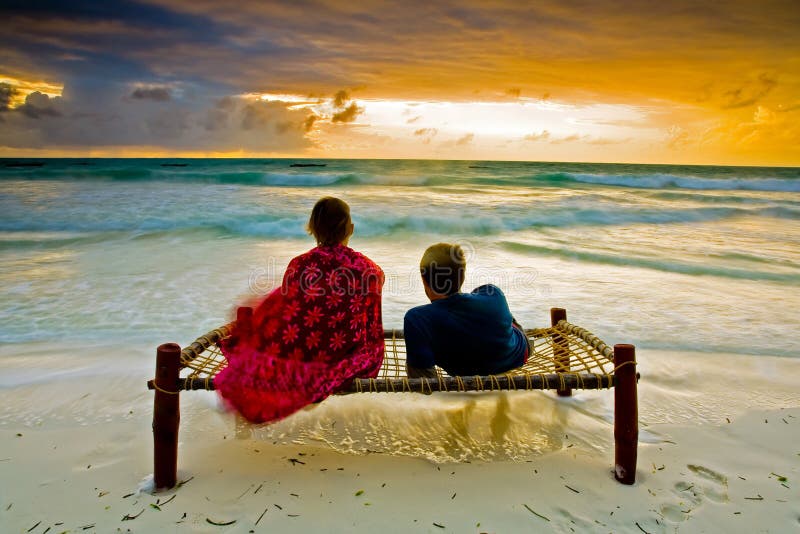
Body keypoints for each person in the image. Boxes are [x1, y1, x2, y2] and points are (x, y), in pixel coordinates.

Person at [216, 197, 384, 423]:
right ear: (350, 229)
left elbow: (287, 315)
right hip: (350, 354)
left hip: (305, 355)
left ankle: (310, 383)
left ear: (312, 229)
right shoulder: (369, 269)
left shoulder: (299, 264)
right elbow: (372, 321)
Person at [403, 243, 528, 378]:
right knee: (490, 306)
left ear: (423, 278)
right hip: (518, 355)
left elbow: (423, 383)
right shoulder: (493, 292)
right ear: (462, 275)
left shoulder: (417, 319)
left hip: (465, 371)